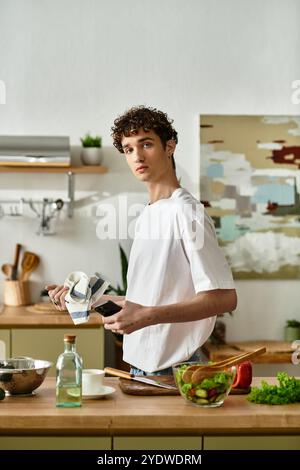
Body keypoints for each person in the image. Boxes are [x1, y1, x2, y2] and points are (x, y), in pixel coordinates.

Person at [47, 106, 237, 376]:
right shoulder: (150, 213)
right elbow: (149, 300)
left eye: (146, 144)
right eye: (128, 149)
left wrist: (147, 316)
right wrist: (89, 299)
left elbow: (224, 298)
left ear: (169, 146)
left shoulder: (187, 212)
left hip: (175, 370)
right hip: (142, 369)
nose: (137, 156)